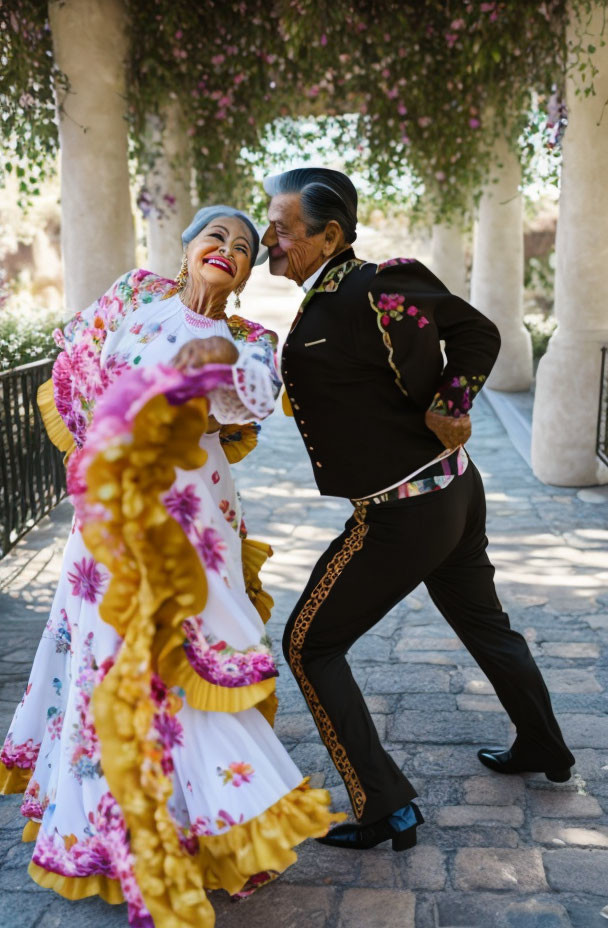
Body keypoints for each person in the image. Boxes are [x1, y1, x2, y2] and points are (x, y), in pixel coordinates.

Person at [0, 205, 340, 927]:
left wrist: (201, 364)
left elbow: (244, 401)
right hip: (112, 515)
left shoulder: (251, 340)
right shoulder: (130, 296)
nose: (229, 249)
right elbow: (79, 372)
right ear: (185, 250)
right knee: (108, 660)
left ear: (247, 276)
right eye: (215, 236)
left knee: (185, 660)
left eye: (245, 248)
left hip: (193, 522)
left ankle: (219, 832)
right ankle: (117, 831)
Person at [261, 167, 575, 852]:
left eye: (282, 225)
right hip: (450, 493)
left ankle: (385, 805)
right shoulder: (322, 300)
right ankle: (545, 747)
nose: (268, 237)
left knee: (309, 644)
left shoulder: (383, 281)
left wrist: (451, 401)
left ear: (331, 233)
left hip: (405, 512)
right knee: (486, 627)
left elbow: (478, 333)